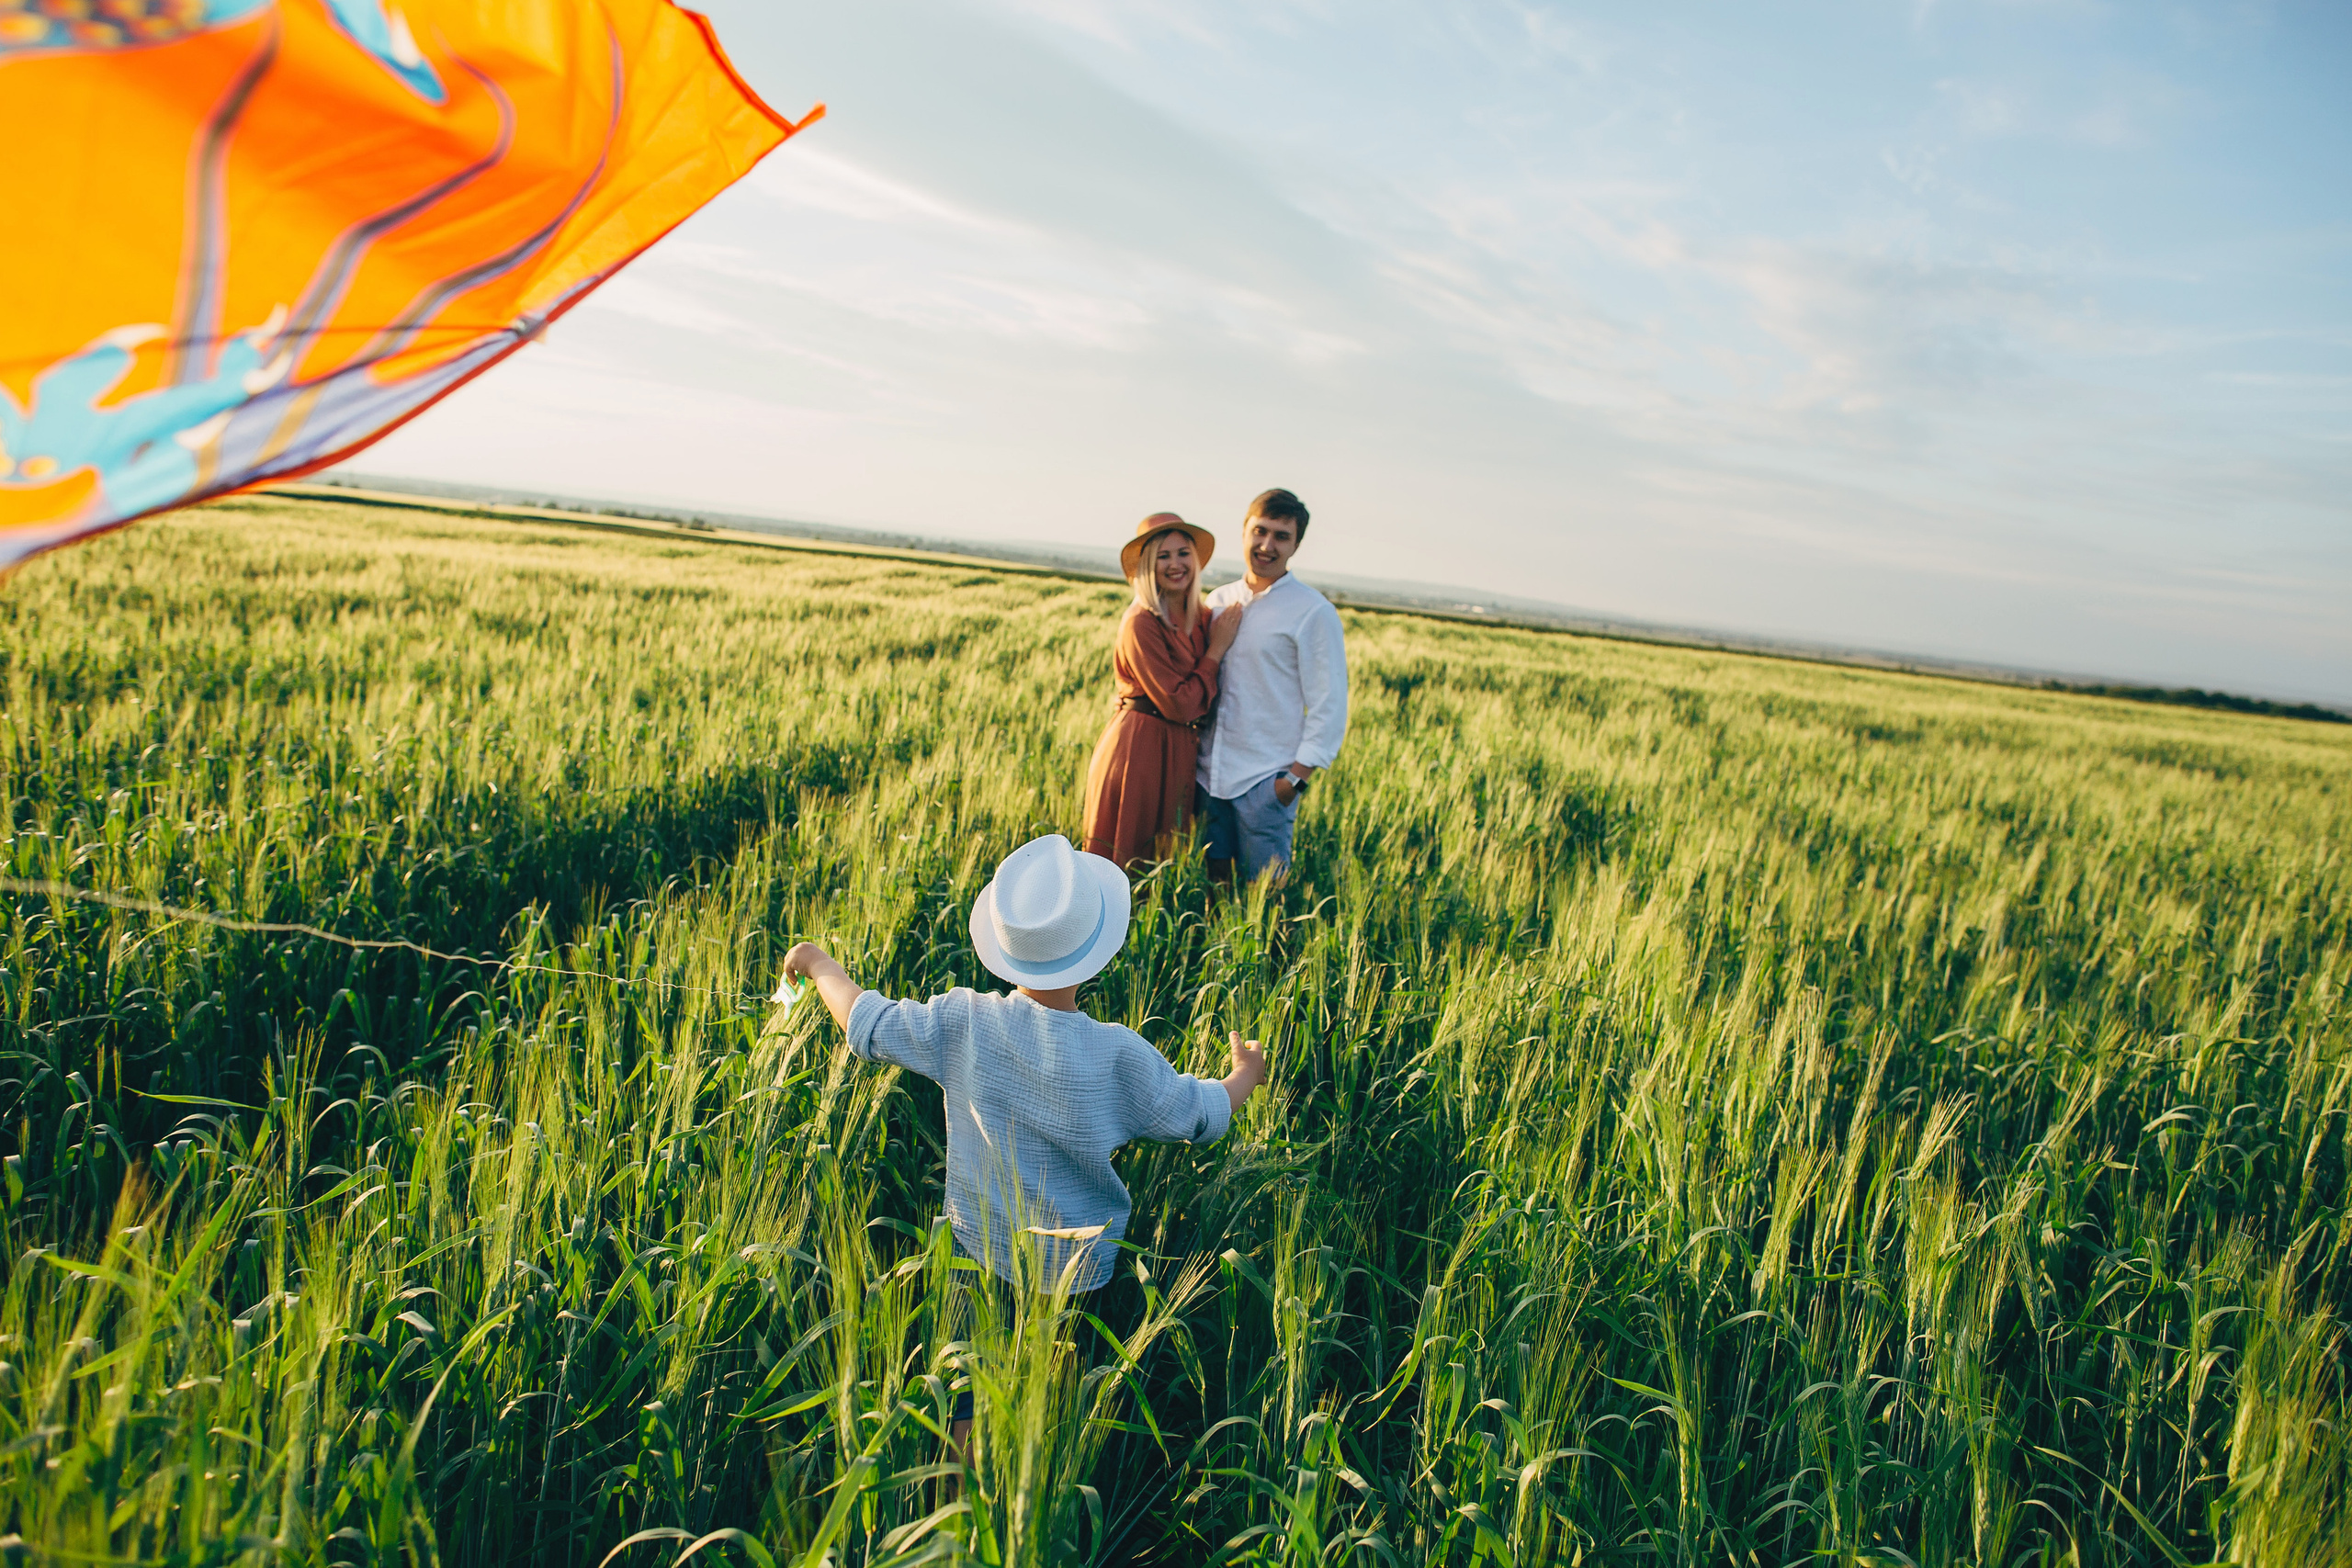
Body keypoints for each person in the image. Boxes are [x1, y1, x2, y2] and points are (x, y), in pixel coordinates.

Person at [777, 831, 1270, 1453]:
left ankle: (958, 1498)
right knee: (1055, 1393)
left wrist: (821, 963)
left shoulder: (962, 1020)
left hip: (973, 1249)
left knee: (964, 1389)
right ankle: (1038, 1492)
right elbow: (1198, 1112)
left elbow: (866, 1024)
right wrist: (1244, 1073)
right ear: (1097, 953)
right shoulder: (1119, 1055)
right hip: (1074, 1271)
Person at [1195, 489, 1349, 886]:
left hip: (1265, 784)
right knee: (1214, 891)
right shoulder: (1217, 601)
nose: (1266, 545)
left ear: (1296, 545)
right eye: (1259, 531)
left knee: (1268, 902)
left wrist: (1292, 782)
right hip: (1208, 778)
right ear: (1244, 531)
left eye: (1281, 536)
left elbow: (1329, 705)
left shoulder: (1313, 611)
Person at [1082, 513, 1243, 868]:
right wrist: (1216, 651)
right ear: (1147, 567)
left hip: (1179, 751)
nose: (1175, 564)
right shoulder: (1141, 622)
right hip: (1139, 751)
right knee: (1125, 859)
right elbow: (1179, 705)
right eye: (1162, 556)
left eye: (1183, 553)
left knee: (1163, 862)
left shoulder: (1201, 618)